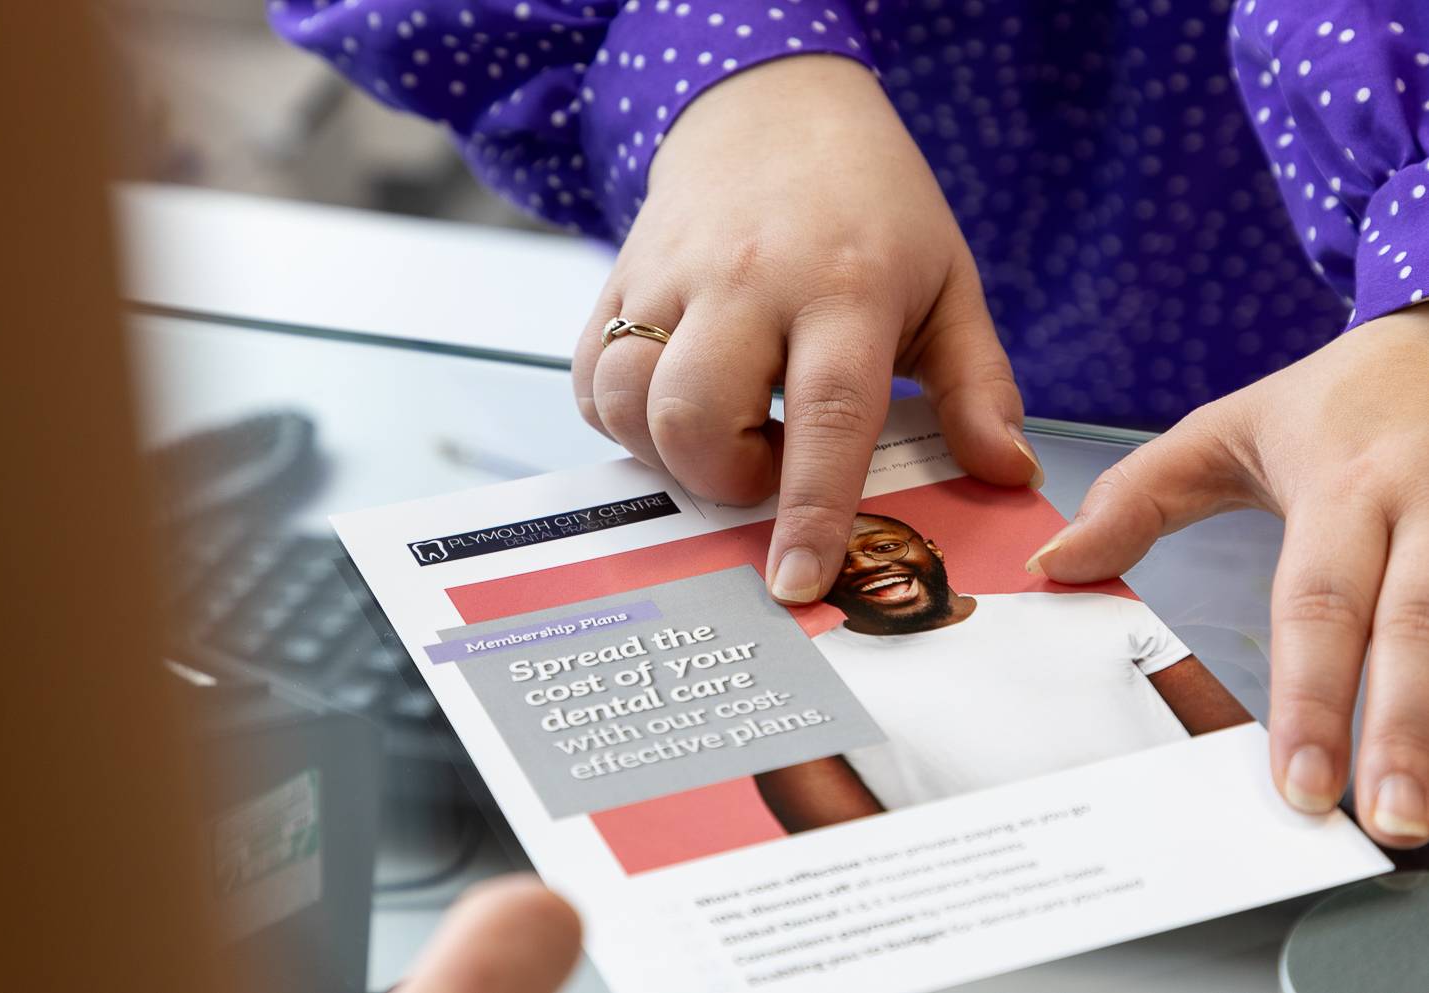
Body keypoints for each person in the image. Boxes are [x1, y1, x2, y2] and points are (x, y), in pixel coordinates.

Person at [269, 2, 1429, 849]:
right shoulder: (803, 668)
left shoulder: (1067, 635)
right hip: (789, 237)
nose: (874, 555)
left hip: (1333, 354)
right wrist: (729, 65)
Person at [752, 514, 1251, 831]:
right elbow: (850, 854)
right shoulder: (802, 683)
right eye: (837, 563)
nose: (862, 565)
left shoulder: (1104, 614)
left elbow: (1243, 749)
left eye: (884, 547)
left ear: (932, 550)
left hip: (1203, 835)